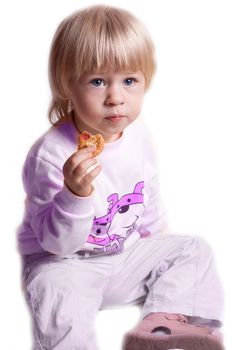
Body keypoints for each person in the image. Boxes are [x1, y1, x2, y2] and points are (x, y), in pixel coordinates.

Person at [18, 5, 224, 350]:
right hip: (67, 264)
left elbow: (148, 200)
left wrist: (156, 251)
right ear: (68, 84)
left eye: (129, 81)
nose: (116, 98)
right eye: (98, 82)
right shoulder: (51, 153)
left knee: (192, 248)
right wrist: (74, 194)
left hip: (121, 259)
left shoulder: (139, 136)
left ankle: (162, 333)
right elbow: (57, 245)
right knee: (55, 290)